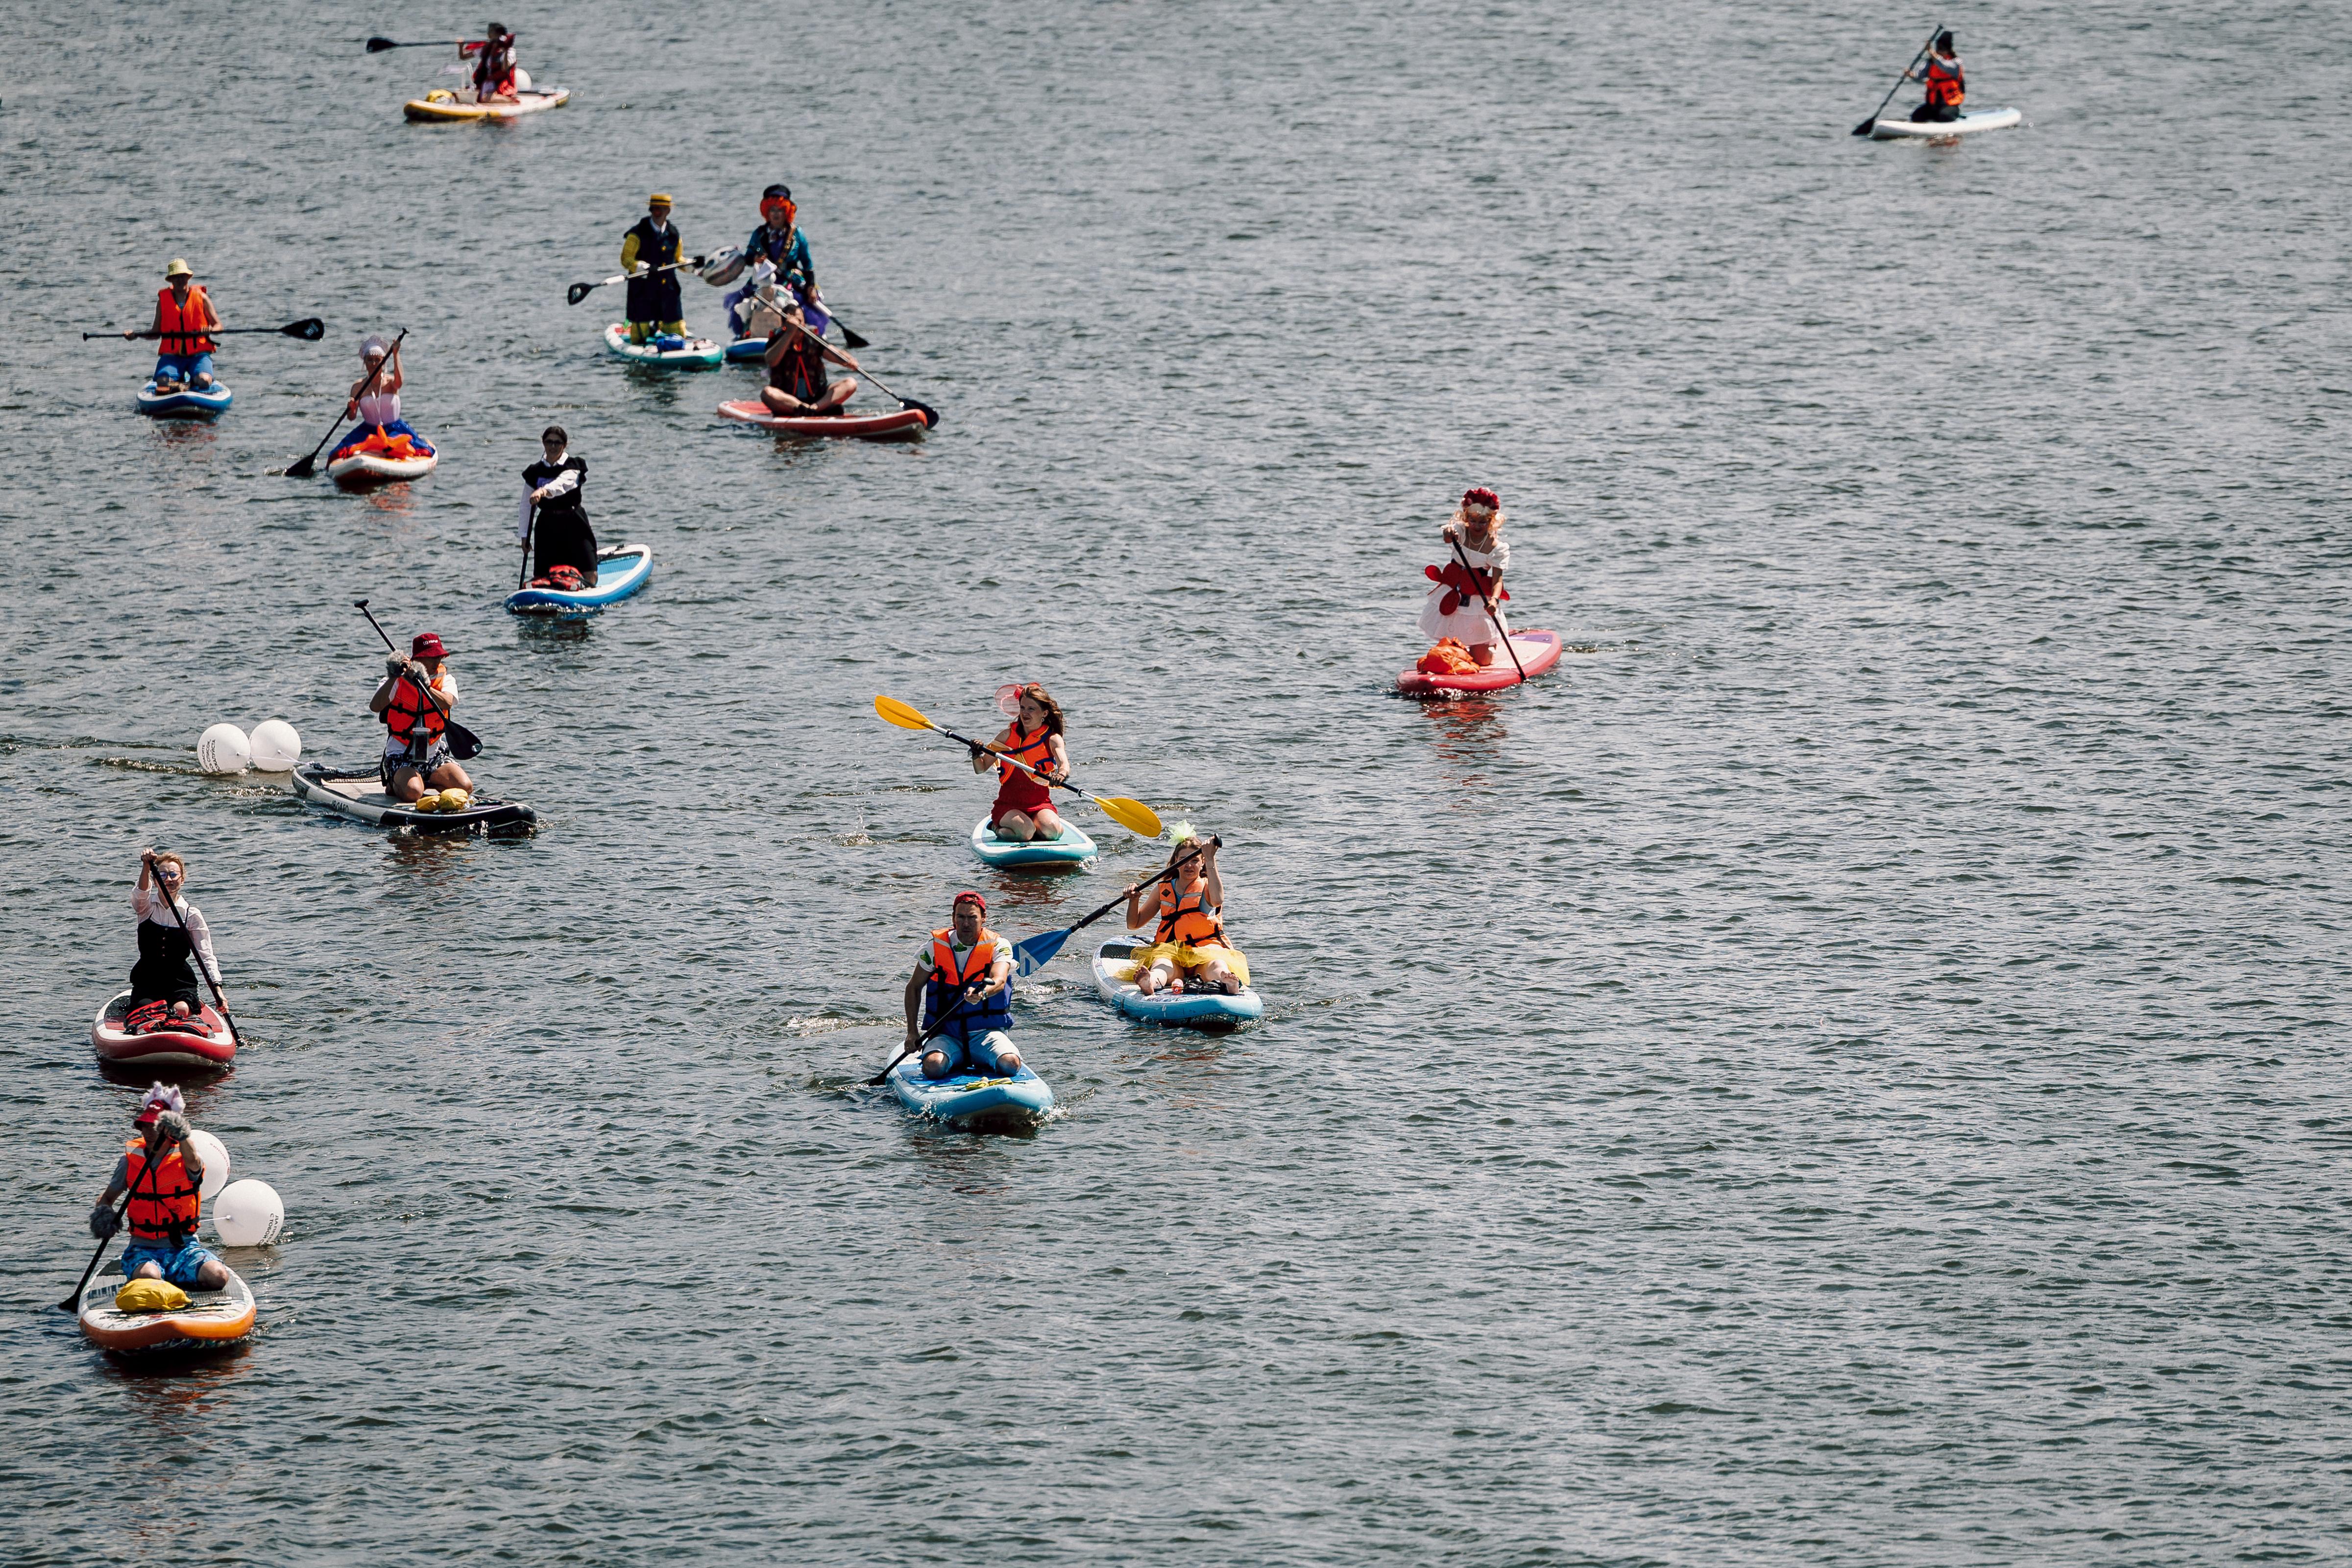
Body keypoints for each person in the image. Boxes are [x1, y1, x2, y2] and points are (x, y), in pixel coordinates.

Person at [87, 1084, 232, 1293]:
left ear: (168, 1130)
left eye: (155, 1126)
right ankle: (154, 1278)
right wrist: (104, 1215)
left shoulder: (185, 1158)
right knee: (150, 1278)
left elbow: (194, 1161)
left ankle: (176, 1278)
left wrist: (182, 1134)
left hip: (185, 1247)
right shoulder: (129, 1161)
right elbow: (108, 1197)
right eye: (145, 1126)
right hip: (143, 1248)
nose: (149, 1132)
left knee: (218, 1277)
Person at [901, 891, 1024, 1080]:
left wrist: (982, 994)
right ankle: (950, 1058)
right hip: (946, 1034)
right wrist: (912, 1032)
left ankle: (982, 1057)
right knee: (933, 1067)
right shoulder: (934, 947)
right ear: (953, 918)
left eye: (972, 917)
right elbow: (914, 987)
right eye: (961, 917)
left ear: (984, 918)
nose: (966, 923)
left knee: (1010, 1065)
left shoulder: (999, 946)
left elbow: (999, 981)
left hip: (986, 1033)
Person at [1124, 829, 1249, 996]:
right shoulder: (1163, 889)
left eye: (1195, 860)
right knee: (1161, 965)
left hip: (1205, 951)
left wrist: (1211, 858)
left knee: (1217, 966)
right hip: (1171, 953)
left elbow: (1218, 900)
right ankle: (1150, 982)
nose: (1189, 865)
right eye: (1183, 860)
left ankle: (1228, 983)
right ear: (1176, 861)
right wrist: (1134, 900)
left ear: (1203, 863)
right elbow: (1134, 924)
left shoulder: (1207, 887)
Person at [127, 851, 224, 1034]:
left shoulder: (191, 915)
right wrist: (146, 866)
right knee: (149, 1012)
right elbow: (141, 894)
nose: (168, 879)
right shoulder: (146, 908)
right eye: (162, 875)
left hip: (180, 982)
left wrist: (218, 989)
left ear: (182, 879)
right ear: (155, 881)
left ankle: (178, 1025)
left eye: (173, 875)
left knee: (181, 1010)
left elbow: (206, 955)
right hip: (148, 980)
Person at [704, 184, 821, 337]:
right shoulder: (759, 234)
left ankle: (798, 332)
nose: (776, 214)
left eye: (780, 210)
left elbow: (807, 263)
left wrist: (811, 286)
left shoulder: (797, 234)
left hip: (791, 280)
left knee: (798, 305)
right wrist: (755, 259)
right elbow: (747, 259)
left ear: (787, 211)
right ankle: (751, 332)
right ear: (767, 211)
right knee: (747, 302)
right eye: (773, 210)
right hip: (764, 279)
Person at [369, 633, 472, 802]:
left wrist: (426, 686)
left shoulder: (446, 679)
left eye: (439, 656)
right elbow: (375, 706)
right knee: (413, 793)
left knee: (465, 787)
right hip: (402, 755)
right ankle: (395, 783)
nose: (437, 662)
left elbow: (447, 702)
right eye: (432, 657)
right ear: (418, 659)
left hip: (435, 756)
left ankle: (426, 780)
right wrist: (394, 677)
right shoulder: (395, 680)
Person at [1417, 486, 1512, 668]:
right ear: (1466, 518)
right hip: (1453, 596)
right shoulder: (1459, 532)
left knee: (1482, 661)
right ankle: (1455, 652)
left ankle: (1488, 648)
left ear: (1491, 521)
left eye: (1483, 522)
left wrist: (1493, 600)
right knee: (1451, 643)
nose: (1477, 526)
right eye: (1473, 521)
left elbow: (1497, 580)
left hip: (1477, 602)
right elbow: (1448, 536)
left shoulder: (1497, 548)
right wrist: (1448, 534)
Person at [970, 682, 1069, 843]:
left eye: (1031, 709)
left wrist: (1061, 774)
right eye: (1022, 708)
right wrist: (976, 753)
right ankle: (997, 827)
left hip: (1040, 804)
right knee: (1025, 833)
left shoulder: (1052, 739)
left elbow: (1064, 764)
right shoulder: (1007, 736)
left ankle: (1037, 827)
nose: (1025, 713)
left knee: (1053, 832)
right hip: (1009, 806)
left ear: (1044, 713)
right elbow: (980, 768)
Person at [330, 337, 434, 463]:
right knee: (340, 453)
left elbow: (400, 383)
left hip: (394, 429)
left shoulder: (391, 383)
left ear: (383, 363)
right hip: (368, 430)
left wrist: (396, 355)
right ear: (365, 363)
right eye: (370, 360)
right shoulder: (358, 387)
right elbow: (352, 417)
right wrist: (351, 408)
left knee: (403, 448)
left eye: (377, 360)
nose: (374, 364)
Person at [759, 290, 862, 416]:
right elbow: (772, 361)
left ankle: (814, 409)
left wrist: (848, 360)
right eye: (794, 321)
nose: (799, 325)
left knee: (850, 383)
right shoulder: (777, 340)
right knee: (767, 393)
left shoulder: (813, 339)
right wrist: (789, 333)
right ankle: (803, 408)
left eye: (800, 321)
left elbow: (834, 352)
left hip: (817, 399)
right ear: (785, 324)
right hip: (789, 400)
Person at [519, 425, 596, 587]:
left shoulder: (573, 466)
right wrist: (524, 537)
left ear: (565, 445)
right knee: (544, 575)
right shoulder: (535, 471)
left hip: (574, 521)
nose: (553, 447)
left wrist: (543, 491)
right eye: (549, 442)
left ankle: (586, 591)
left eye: (558, 443)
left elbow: (563, 484)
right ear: (543, 443)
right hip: (547, 524)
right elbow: (526, 507)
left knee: (590, 572)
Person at [130, 259, 219, 392]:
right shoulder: (163, 302)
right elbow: (155, 333)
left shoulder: (201, 298)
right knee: (162, 382)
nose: (180, 280)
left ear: (189, 277)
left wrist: (210, 330)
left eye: (183, 276)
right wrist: (135, 335)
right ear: (171, 280)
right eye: (176, 277)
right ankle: (178, 384)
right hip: (172, 356)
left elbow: (218, 326)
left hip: (198, 355)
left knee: (204, 381)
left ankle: (193, 382)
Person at [620, 194, 692, 345]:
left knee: (678, 330)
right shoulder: (637, 234)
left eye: (660, 209)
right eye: (653, 209)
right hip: (643, 291)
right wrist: (643, 266)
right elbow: (626, 259)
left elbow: (678, 260)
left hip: (669, 291)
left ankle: (666, 333)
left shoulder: (674, 234)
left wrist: (694, 265)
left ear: (668, 211)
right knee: (640, 335)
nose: (656, 213)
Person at [1906, 31, 1964, 122]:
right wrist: (1911, 75)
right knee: (1916, 116)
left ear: (1948, 50)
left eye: (1942, 49)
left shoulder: (1956, 63)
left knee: (1944, 116)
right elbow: (1920, 76)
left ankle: (1952, 119)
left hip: (1950, 105)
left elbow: (1945, 66)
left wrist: (1931, 52)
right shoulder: (1931, 62)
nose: (1940, 52)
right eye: (1938, 49)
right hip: (1932, 106)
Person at [459, 23, 521, 103]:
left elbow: (505, 68)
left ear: (498, 34)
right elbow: (463, 57)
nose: (488, 33)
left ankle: (512, 101)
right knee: (463, 94)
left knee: (486, 99)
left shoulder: (510, 52)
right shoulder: (486, 48)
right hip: (487, 82)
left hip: (501, 84)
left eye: (491, 30)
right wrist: (461, 46)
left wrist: (505, 51)